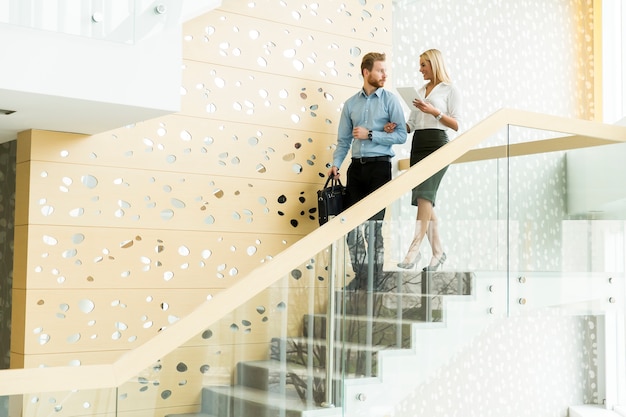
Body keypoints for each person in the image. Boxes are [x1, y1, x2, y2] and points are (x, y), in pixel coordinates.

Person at [328, 51, 407, 291]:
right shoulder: (351, 104)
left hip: (380, 168)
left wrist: (371, 134)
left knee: (374, 226)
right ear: (366, 72)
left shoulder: (390, 100)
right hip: (356, 170)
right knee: (351, 226)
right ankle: (362, 277)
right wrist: (335, 165)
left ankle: (375, 280)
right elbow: (343, 141)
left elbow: (402, 135)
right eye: (380, 70)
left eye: (385, 70)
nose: (385, 74)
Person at [392, 48, 462, 271]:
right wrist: (396, 126)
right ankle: (438, 252)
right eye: (420, 64)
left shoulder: (450, 90)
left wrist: (434, 111)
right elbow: (411, 124)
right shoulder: (420, 91)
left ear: (434, 64)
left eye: (423, 64)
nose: (420, 69)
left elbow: (456, 124)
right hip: (418, 146)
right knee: (426, 201)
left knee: (424, 197)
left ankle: (413, 251)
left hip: (438, 145)